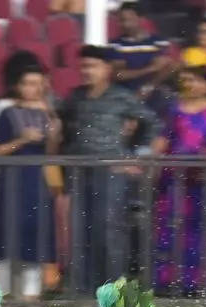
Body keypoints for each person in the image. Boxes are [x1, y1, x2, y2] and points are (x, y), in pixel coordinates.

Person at [58, 45, 161, 291]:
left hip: (111, 172)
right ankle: (82, 292)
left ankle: (112, 290)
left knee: (109, 231)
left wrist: (138, 156)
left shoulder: (121, 96)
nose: (87, 71)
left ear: (106, 69)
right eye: (83, 66)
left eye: (92, 66)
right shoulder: (75, 97)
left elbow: (152, 123)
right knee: (80, 232)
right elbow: (62, 126)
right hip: (79, 171)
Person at [151, 65, 206, 296]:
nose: (191, 85)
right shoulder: (173, 111)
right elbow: (162, 141)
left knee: (200, 232)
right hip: (173, 181)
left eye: (196, 80)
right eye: (187, 80)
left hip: (205, 183)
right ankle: (167, 282)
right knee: (170, 228)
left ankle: (198, 283)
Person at [0, 63, 60, 301]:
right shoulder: (7, 113)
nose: (33, 89)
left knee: (34, 232)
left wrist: (52, 131)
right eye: (28, 83)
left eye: (38, 84)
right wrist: (22, 139)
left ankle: (30, 295)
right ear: (18, 87)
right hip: (12, 178)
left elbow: (51, 151)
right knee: (8, 233)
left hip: (37, 179)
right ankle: (4, 293)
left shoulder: (47, 113)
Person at [111, 2, 173, 98]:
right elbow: (118, 75)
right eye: (122, 21)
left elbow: (168, 67)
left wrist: (149, 87)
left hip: (155, 92)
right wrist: (150, 68)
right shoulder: (116, 45)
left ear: (141, 19)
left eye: (129, 20)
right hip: (126, 94)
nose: (125, 24)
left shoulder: (159, 41)